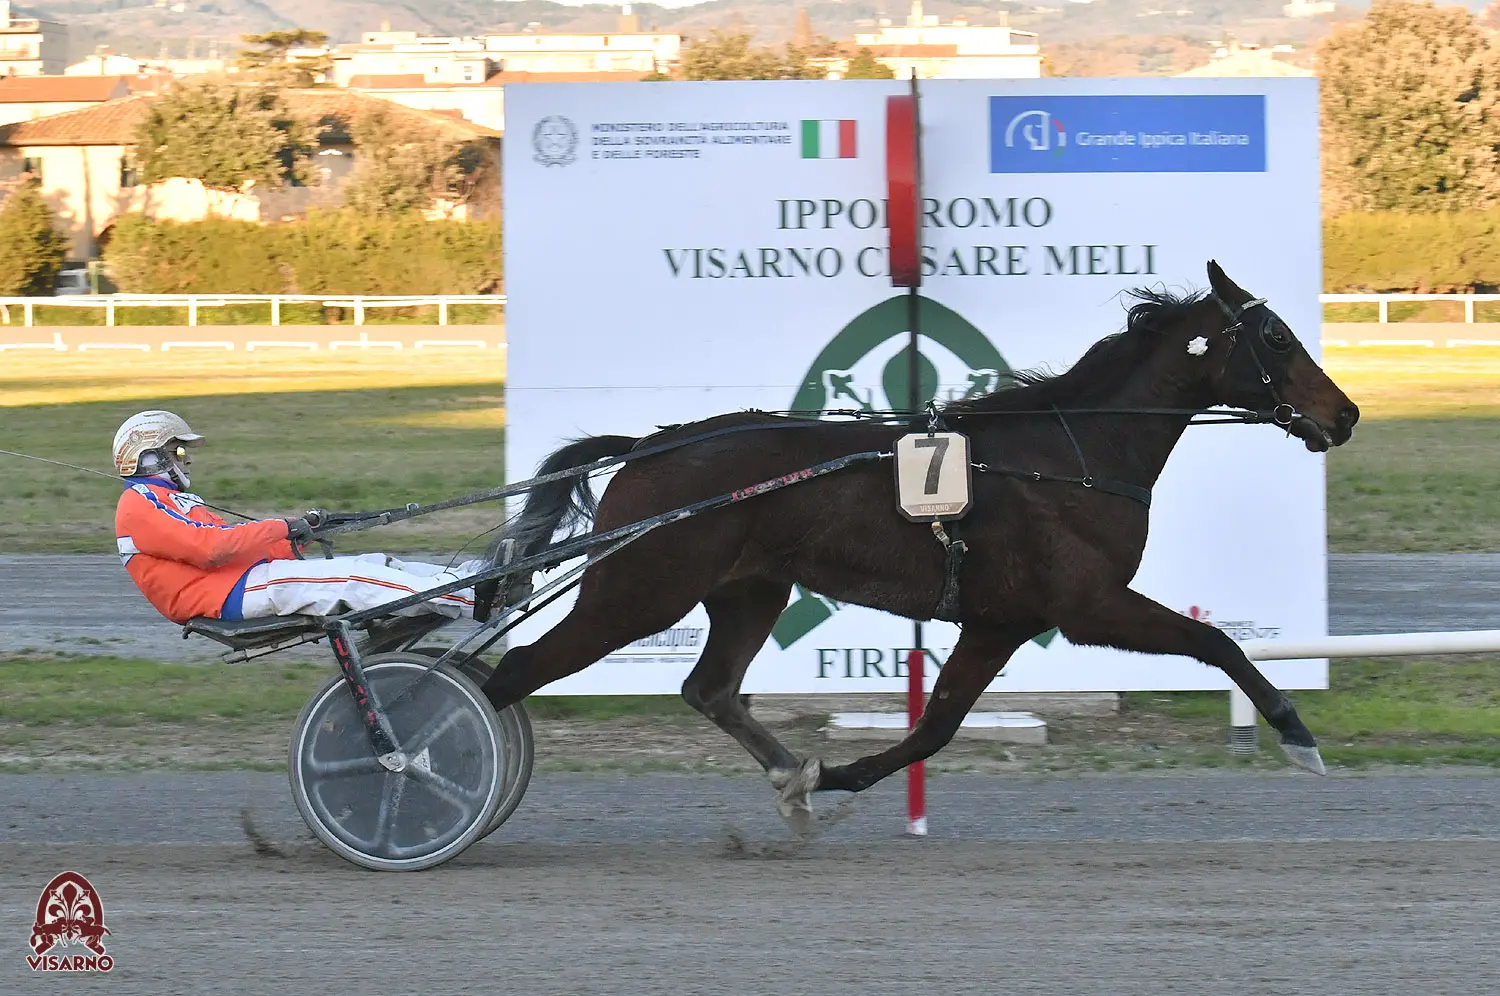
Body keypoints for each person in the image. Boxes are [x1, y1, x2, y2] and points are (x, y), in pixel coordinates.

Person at [111, 410, 489, 627]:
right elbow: (211, 549)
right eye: (177, 450)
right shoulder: (138, 506)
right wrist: (282, 525)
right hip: (223, 596)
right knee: (352, 579)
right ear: (149, 457)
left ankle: (471, 577)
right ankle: (473, 596)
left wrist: (294, 539)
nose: (185, 458)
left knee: (371, 565)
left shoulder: (172, 500)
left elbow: (229, 545)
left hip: (236, 583)